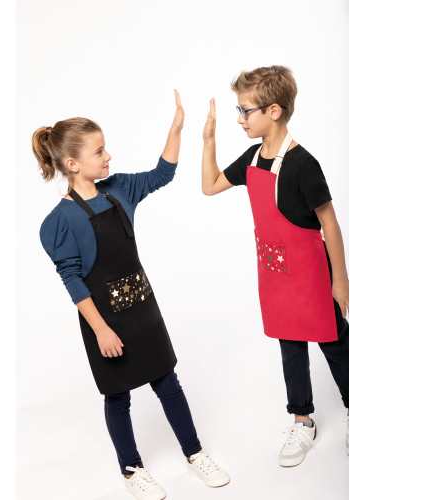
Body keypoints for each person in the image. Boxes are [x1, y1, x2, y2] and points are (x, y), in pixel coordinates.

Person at [34, 90, 230, 499]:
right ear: (72, 164)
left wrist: (177, 127)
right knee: (117, 396)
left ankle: (194, 454)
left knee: (168, 383)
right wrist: (101, 330)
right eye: (99, 152)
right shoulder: (59, 222)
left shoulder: (119, 188)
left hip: (144, 309)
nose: (108, 157)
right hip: (104, 321)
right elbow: (73, 280)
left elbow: (162, 174)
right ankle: (131, 470)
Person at [201, 66, 349, 466]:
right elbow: (210, 185)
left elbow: (329, 223)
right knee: (290, 347)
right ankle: (303, 421)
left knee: (335, 344)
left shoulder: (303, 164)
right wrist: (209, 139)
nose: (239, 118)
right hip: (275, 275)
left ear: (274, 111)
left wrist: (341, 281)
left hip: (312, 275)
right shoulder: (252, 158)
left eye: (245, 110)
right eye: (239, 110)